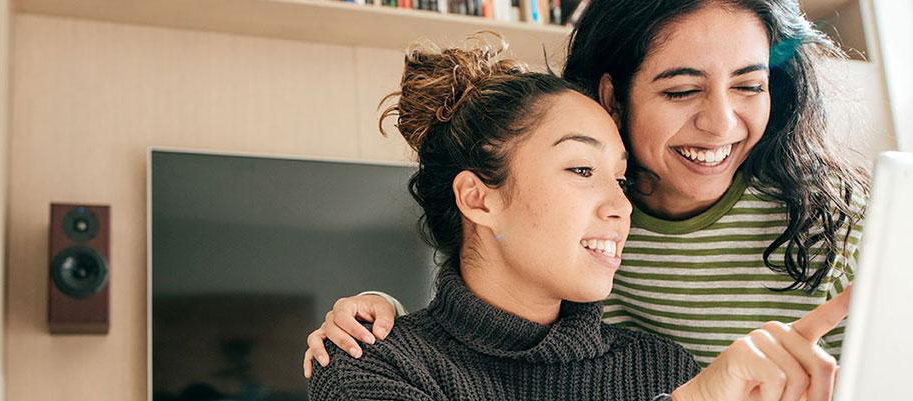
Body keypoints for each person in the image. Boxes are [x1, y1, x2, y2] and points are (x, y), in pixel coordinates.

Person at [303, 0, 868, 372]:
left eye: (750, 86)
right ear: (612, 96)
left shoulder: (840, 225)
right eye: (679, 91)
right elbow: (488, 330)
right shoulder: (563, 221)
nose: (721, 124)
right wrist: (387, 328)